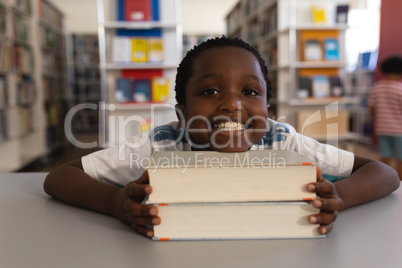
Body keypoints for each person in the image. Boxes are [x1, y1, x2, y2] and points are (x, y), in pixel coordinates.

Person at [44, 37, 400, 238]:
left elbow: (385, 174)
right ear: (181, 112)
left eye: (249, 92)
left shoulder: (283, 139)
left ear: (269, 109)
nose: (232, 104)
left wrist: (338, 195)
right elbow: (59, 177)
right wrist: (116, 203)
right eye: (211, 91)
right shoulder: (160, 144)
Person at [368, 56, 402, 180]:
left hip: (382, 128)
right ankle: (400, 183)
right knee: (400, 158)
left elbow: (371, 108)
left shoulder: (377, 87)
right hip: (399, 130)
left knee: (384, 156)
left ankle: (383, 180)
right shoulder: (400, 88)